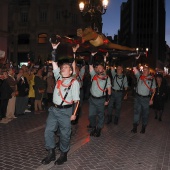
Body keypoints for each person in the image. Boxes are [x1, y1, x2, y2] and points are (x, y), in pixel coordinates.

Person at [41, 42, 80, 165]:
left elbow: (77, 101)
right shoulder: (58, 78)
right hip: (54, 110)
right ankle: (51, 153)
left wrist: (74, 114)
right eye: (62, 67)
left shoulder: (74, 82)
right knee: (48, 130)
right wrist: (54, 49)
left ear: (70, 71)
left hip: (66, 111)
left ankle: (64, 154)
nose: (63, 69)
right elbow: (54, 64)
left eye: (66, 68)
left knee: (64, 134)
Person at [88, 58, 111, 137]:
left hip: (101, 100)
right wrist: (92, 55)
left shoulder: (107, 78)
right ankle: (94, 128)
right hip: (92, 99)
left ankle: (99, 129)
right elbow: (90, 65)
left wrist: (107, 100)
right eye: (97, 68)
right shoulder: (94, 75)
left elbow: (109, 90)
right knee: (91, 115)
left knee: (101, 115)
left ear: (103, 69)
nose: (98, 69)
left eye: (100, 67)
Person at [131, 64, 156, 134]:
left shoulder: (151, 79)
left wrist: (151, 99)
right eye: (143, 70)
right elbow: (134, 69)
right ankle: (135, 127)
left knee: (145, 114)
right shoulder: (139, 76)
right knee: (136, 112)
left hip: (146, 99)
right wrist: (135, 60)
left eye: (146, 70)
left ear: (149, 72)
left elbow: (154, 91)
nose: (144, 71)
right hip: (138, 97)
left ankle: (143, 127)